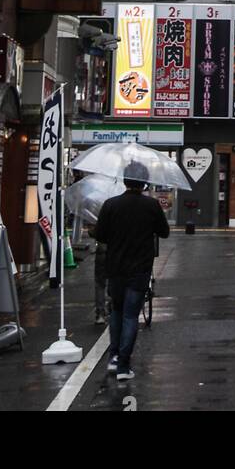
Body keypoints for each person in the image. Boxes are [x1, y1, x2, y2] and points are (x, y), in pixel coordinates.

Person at [93, 162, 170, 381]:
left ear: (125, 180)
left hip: (115, 268)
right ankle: (124, 366)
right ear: (144, 181)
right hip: (139, 270)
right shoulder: (151, 206)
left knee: (116, 312)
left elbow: (101, 235)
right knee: (130, 315)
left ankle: (114, 358)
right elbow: (164, 232)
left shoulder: (110, 205)